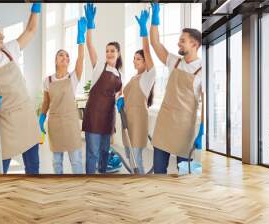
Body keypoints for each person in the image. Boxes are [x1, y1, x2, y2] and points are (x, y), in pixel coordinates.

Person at [149, 3, 204, 174]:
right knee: (159, 171)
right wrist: (155, 19)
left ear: (194, 44)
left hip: (184, 127)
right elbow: (155, 43)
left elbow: (206, 103)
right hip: (164, 123)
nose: (178, 43)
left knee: (184, 173)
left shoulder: (203, 70)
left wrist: (202, 128)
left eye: (182, 40)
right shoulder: (175, 62)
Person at [0, 3, 42, 174]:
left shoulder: (9, 50)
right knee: (0, 168)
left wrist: (36, 9)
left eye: (1, 31)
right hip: (6, 122)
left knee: (33, 166)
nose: (2, 35)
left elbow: (31, 30)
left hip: (26, 116)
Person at [39, 17, 87, 174]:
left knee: (76, 160)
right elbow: (46, 101)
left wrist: (81, 39)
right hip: (54, 124)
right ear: (55, 60)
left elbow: (81, 58)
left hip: (71, 123)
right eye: (61, 55)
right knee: (57, 162)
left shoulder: (73, 77)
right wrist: (41, 117)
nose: (65, 57)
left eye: (67, 56)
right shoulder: (48, 80)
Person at [82, 3, 123, 174]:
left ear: (118, 53)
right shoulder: (99, 66)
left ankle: (102, 175)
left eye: (112, 51)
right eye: (107, 51)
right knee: (92, 152)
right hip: (94, 115)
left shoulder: (120, 74)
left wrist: (121, 99)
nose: (109, 53)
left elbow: (119, 94)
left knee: (105, 152)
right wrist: (91, 25)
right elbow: (90, 45)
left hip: (108, 117)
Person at [116, 10, 156, 174]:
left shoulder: (148, 76)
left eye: (138, 58)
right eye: (133, 58)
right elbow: (126, 94)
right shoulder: (134, 78)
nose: (134, 60)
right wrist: (121, 98)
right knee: (129, 154)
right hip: (126, 118)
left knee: (136, 155)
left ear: (146, 61)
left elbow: (147, 50)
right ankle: (135, 178)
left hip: (138, 119)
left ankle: (140, 183)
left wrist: (143, 30)